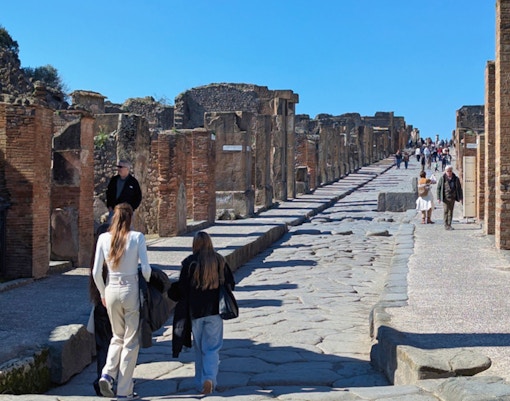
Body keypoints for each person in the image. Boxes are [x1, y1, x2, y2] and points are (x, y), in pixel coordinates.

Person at [93, 203, 152, 400]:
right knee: (130, 340)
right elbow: (146, 270)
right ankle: (124, 390)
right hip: (130, 289)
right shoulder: (137, 238)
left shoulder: (103, 238)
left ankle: (108, 374)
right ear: (130, 218)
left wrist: (102, 292)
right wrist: (149, 280)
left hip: (110, 289)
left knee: (116, 336)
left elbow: (95, 272)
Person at [172, 231, 235, 395]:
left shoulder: (189, 263)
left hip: (195, 313)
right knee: (212, 348)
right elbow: (230, 283)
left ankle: (200, 383)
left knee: (199, 349)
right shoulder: (219, 260)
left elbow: (181, 289)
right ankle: (210, 378)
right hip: (215, 312)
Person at [436, 165, 463, 230]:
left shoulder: (456, 179)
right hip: (445, 197)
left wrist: (460, 197)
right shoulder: (442, 178)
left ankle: (449, 224)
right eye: (448, 171)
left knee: (451, 211)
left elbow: (459, 189)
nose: (449, 172)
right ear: (445, 171)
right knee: (446, 211)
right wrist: (438, 197)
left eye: (450, 171)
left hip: (452, 197)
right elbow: (438, 188)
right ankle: (445, 225)